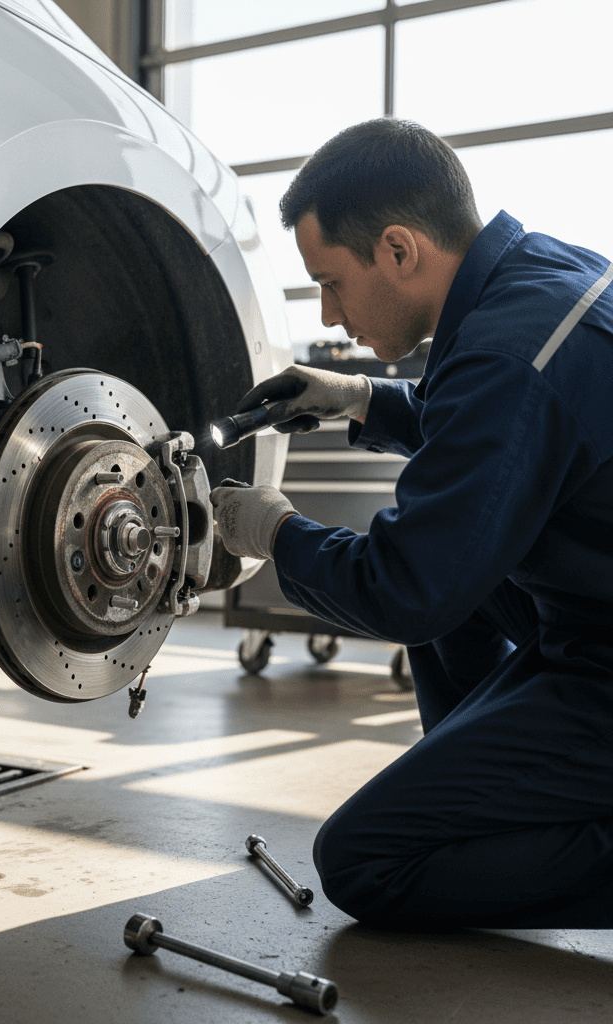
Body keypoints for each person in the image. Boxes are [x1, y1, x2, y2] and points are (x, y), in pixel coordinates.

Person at [210, 118, 613, 929]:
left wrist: (273, 533)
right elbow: (503, 439)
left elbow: (404, 591)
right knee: (459, 571)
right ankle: (481, 782)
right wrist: (358, 399)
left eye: (330, 282)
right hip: (589, 604)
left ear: (398, 250)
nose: (328, 312)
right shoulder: (541, 280)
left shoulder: (506, 355)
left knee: (365, 860)